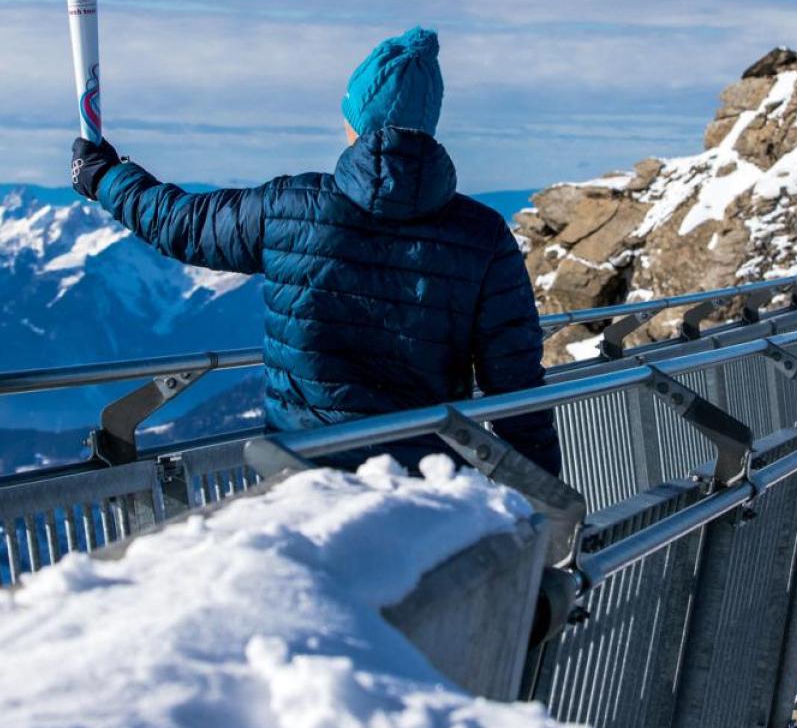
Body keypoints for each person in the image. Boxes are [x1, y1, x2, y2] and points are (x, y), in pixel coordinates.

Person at [71, 26, 561, 476]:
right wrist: (545, 495)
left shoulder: (289, 207)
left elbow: (180, 223)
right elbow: (514, 383)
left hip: (304, 477)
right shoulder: (483, 235)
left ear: (355, 121)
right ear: (429, 123)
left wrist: (106, 176)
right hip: (427, 487)